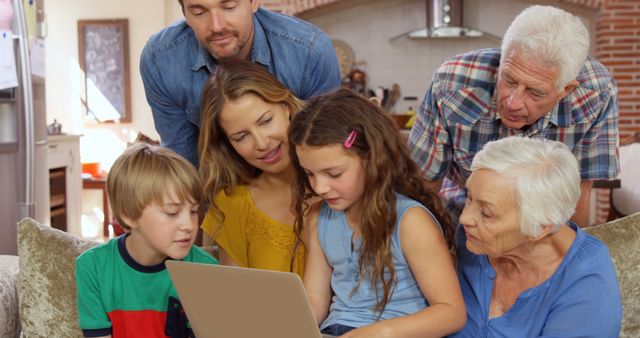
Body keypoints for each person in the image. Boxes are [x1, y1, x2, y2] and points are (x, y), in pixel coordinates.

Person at [408, 5, 619, 227]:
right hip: (464, 215)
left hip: (542, 223)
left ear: (565, 90)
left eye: (535, 92)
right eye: (509, 80)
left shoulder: (597, 95)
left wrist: (570, 258)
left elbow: (577, 193)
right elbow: (422, 184)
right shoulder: (452, 84)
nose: (513, 103)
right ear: (501, 62)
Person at [289, 89, 466, 337]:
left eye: (334, 174)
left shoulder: (411, 221)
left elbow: (451, 313)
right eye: (309, 174)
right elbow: (314, 300)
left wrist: (378, 333)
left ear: (372, 159)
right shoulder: (320, 216)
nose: (319, 187)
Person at [450, 136, 621, 337]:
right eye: (469, 198)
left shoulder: (587, 287)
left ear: (540, 227)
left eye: (487, 213)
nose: (465, 218)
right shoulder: (472, 239)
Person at [141, 0, 341, 166]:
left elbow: (327, 155)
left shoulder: (309, 51)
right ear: (185, 14)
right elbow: (185, 165)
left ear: (254, 2)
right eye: (199, 12)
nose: (217, 26)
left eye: (229, 6)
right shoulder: (160, 61)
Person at [75, 143, 219, 338]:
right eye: (172, 212)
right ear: (128, 215)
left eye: (194, 211)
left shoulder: (207, 270)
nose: (189, 224)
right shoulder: (92, 267)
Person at [199, 61, 307, 276]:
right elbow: (238, 302)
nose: (261, 143)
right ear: (228, 144)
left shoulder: (339, 186)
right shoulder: (231, 204)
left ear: (286, 107)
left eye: (266, 121)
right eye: (241, 136)